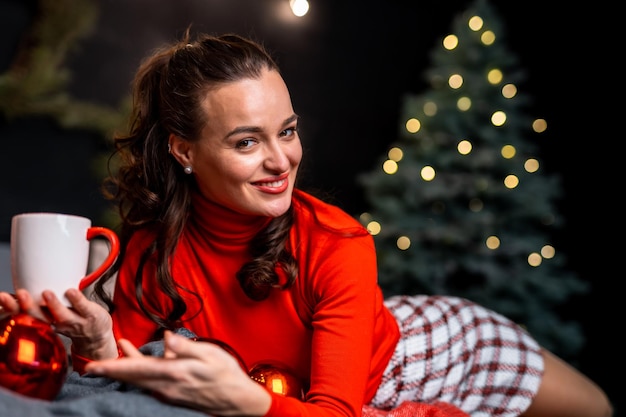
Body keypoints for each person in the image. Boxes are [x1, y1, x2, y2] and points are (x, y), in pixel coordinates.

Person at [0, 30, 613, 417]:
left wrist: (252, 404)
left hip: (437, 351)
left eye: (287, 131)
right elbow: (127, 374)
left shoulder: (336, 241)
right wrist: (98, 343)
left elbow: (335, 412)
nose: (281, 161)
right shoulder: (146, 253)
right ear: (184, 151)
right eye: (247, 142)